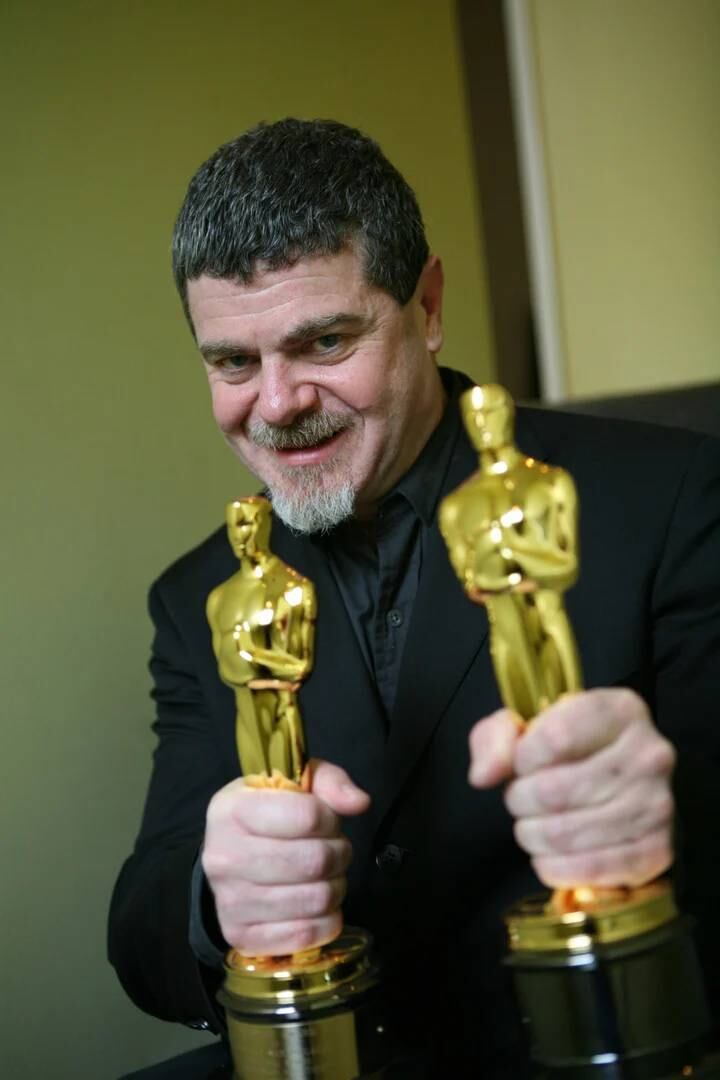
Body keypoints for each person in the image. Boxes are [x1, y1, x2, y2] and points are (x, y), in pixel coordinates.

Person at [109, 119, 720, 1079]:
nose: (275, 404)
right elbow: (144, 934)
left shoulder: (672, 495)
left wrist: (666, 813)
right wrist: (217, 896)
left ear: (427, 306)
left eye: (324, 340)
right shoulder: (195, 599)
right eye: (233, 362)